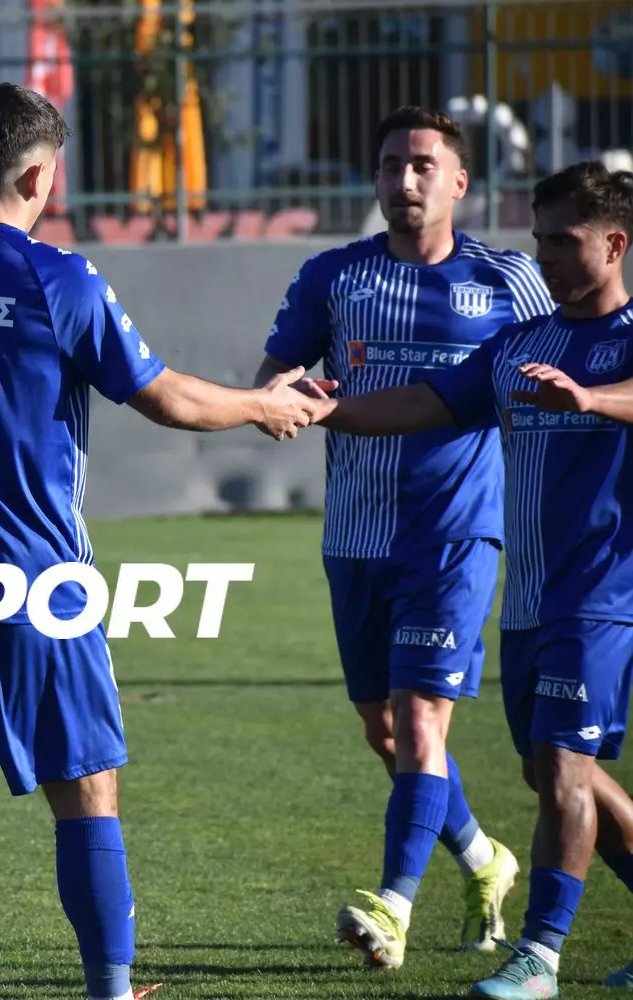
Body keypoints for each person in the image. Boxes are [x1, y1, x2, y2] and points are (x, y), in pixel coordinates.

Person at [0, 82, 326, 1000]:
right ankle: (110, 989)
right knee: (86, 789)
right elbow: (164, 396)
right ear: (40, 176)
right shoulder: (57, 279)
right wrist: (262, 403)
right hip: (32, 582)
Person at [311, 160, 633, 998]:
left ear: (614, 245)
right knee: (551, 770)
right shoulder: (523, 346)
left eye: (565, 242)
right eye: (540, 240)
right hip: (528, 602)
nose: (547, 257)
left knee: (561, 769)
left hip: (606, 595)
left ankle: (539, 957)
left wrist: (593, 400)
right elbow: (423, 402)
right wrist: (319, 409)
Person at [251, 105, 552, 968]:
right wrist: (286, 396)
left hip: (456, 535)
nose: (404, 180)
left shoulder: (510, 280)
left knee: (421, 720)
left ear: (460, 181)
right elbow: (276, 375)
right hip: (355, 535)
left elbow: (563, 359)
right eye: (390, 165)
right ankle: (484, 858)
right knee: (385, 731)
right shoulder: (334, 275)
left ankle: (393, 905)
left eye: (422, 165)